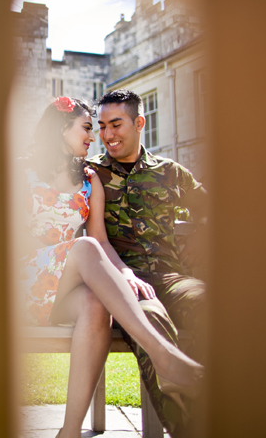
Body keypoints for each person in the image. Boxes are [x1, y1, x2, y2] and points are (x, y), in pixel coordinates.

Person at [21, 96, 202, 438]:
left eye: (99, 128)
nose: (95, 137)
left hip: (57, 290)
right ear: (61, 129)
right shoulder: (22, 170)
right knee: (84, 248)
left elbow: (101, 243)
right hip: (20, 281)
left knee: (94, 304)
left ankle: (69, 431)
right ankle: (164, 357)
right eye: (88, 128)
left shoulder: (89, 179)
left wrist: (126, 272)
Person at [88, 89, 208, 436]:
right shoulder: (92, 172)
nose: (107, 134)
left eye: (116, 124)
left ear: (139, 123)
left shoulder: (169, 172)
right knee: (151, 319)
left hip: (172, 279)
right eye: (102, 126)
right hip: (123, 284)